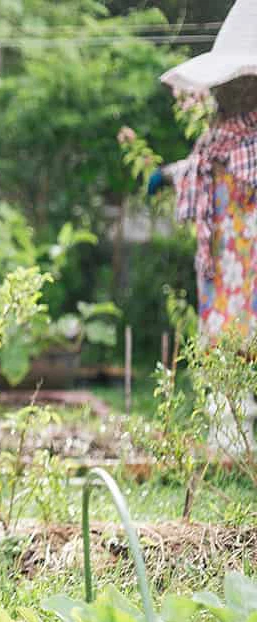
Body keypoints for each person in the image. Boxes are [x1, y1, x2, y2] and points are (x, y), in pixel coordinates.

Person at [149, 0, 257, 451]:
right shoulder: (217, 143)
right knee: (227, 342)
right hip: (222, 268)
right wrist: (167, 174)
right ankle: (229, 433)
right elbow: (197, 168)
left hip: (247, 267)